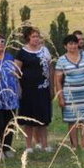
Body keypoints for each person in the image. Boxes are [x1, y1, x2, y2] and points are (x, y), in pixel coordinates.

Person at [15, 24, 54, 154]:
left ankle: (44, 145)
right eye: (33, 36)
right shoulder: (22, 52)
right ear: (28, 38)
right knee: (28, 119)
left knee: (43, 119)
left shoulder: (44, 51)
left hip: (43, 89)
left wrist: (51, 87)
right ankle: (29, 146)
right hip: (27, 91)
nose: (36, 39)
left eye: (38, 36)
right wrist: (18, 87)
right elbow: (16, 71)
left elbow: (50, 69)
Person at [54, 34, 84, 149]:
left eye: (74, 43)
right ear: (65, 46)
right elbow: (58, 81)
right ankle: (74, 145)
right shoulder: (61, 60)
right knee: (72, 120)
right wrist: (60, 97)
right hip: (70, 94)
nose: (73, 46)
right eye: (70, 44)